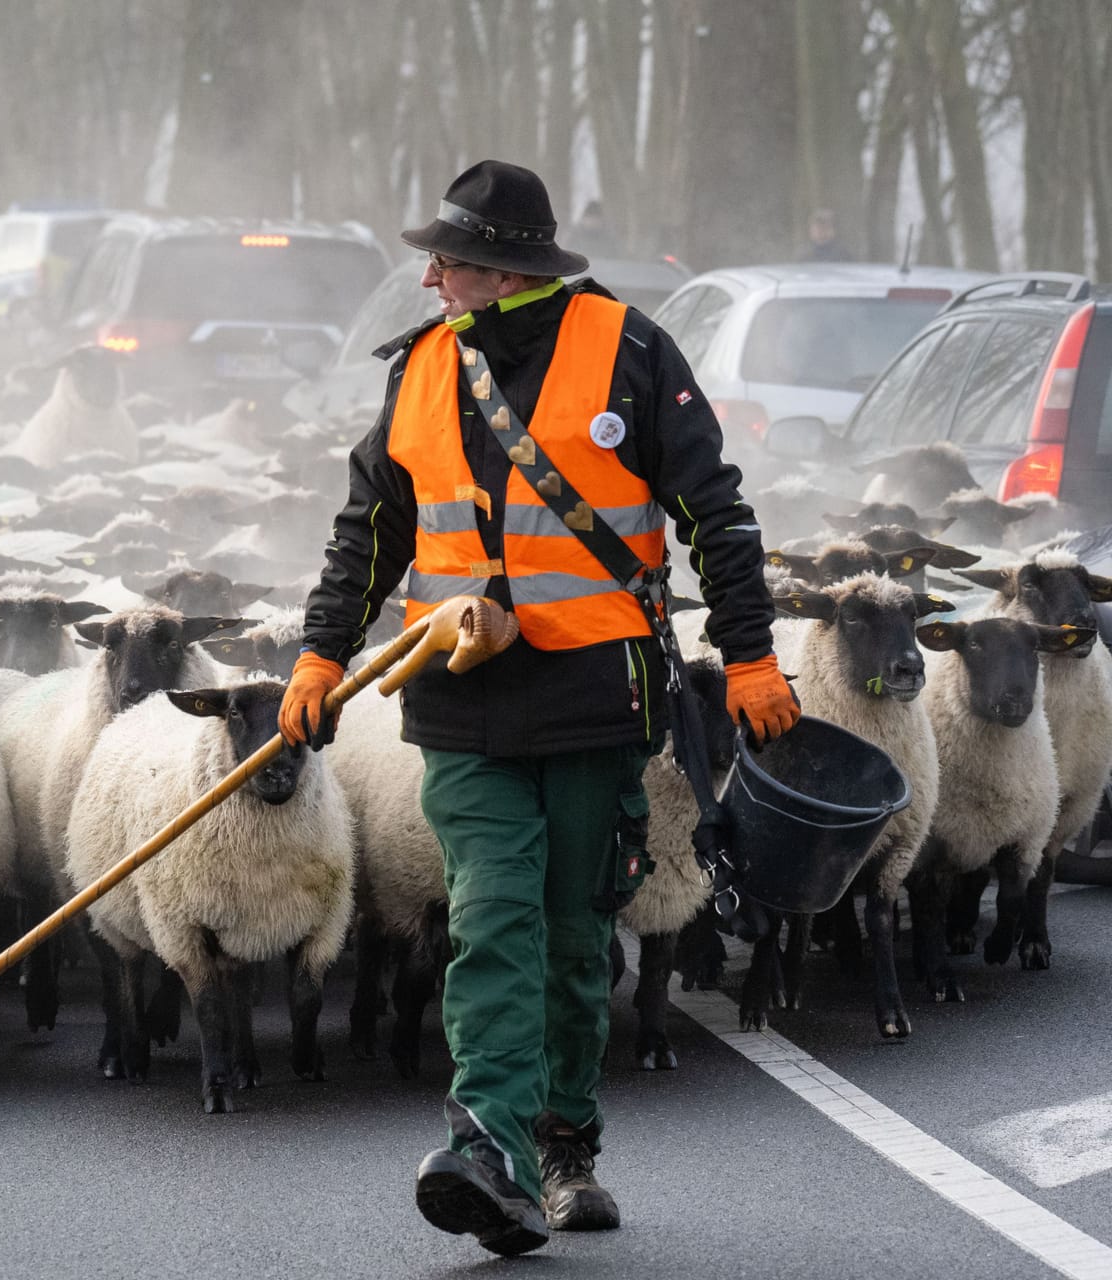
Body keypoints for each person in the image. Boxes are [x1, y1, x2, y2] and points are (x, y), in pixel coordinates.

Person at [281, 160, 795, 1257]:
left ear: (507, 268)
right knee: (493, 915)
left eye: (449, 260)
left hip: (593, 695)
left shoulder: (634, 353)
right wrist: (321, 652)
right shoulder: (419, 369)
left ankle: (566, 1145)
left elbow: (716, 510)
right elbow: (368, 525)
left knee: (571, 932)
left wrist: (748, 655)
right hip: (459, 701)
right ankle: (490, 1146)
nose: (428, 279)